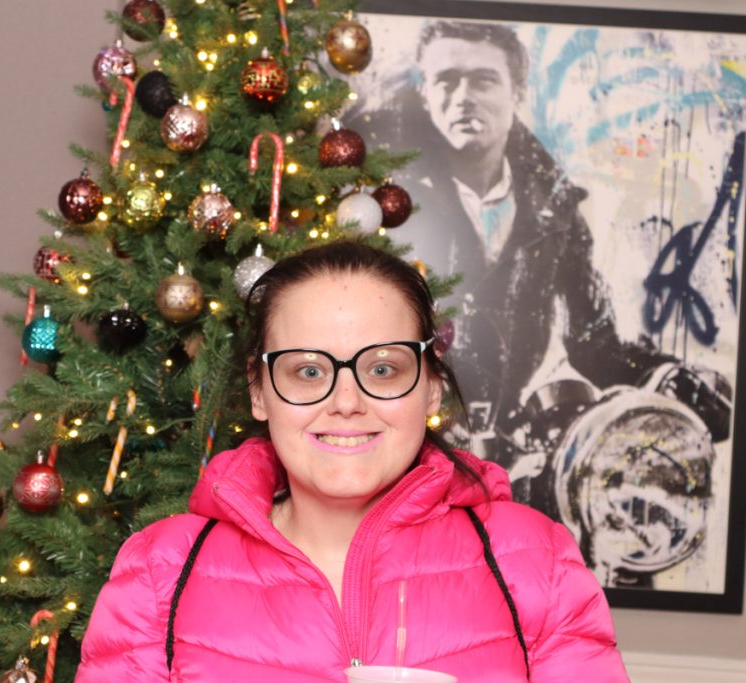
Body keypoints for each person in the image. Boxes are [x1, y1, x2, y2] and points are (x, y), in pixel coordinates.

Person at [76, 241, 629, 682]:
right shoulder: (160, 572)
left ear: (431, 389)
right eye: (308, 371)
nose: (346, 402)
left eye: (383, 369)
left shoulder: (536, 563)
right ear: (260, 391)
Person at [370, 21, 729, 510]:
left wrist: (669, 378)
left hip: (503, 469)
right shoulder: (384, 202)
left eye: (483, 80)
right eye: (446, 80)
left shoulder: (556, 208)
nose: (463, 97)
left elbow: (593, 341)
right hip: (400, 464)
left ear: (517, 92)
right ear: (426, 95)